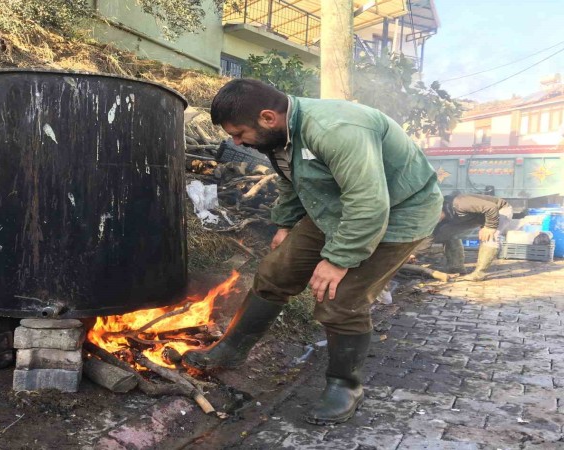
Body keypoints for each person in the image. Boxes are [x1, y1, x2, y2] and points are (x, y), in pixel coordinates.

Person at [182, 79, 443, 424]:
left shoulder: (336, 130)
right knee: (275, 273)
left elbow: (369, 203)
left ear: (267, 117)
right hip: (336, 207)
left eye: (240, 133)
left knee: (340, 298)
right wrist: (286, 223)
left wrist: (338, 260)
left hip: (399, 214)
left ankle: (345, 385)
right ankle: (232, 349)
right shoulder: (279, 135)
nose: (236, 143)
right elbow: (295, 180)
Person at [431, 193, 513, 281]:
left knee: (490, 237)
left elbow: (492, 207)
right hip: (479, 215)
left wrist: (490, 226)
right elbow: (431, 236)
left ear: (438, 209)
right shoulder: (444, 212)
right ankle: (456, 267)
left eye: (435, 218)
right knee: (447, 232)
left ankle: (479, 273)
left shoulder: (459, 203)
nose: (436, 221)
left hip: (499, 210)